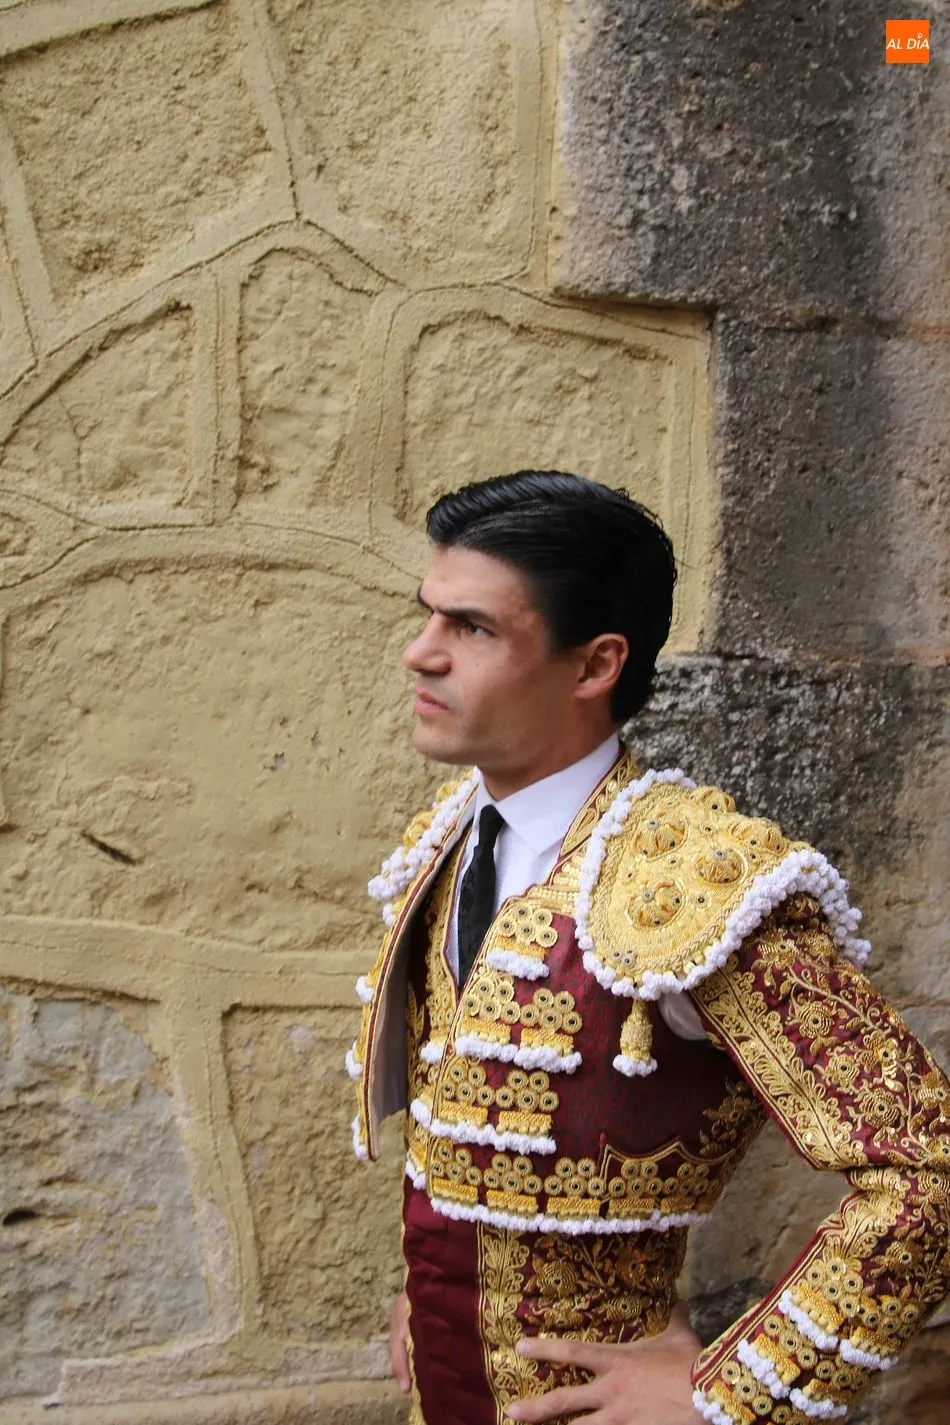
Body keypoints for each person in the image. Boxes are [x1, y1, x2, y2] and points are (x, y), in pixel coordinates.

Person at [348, 471, 950, 1425]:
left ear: (595, 666)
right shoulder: (454, 835)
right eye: (429, 615)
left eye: (472, 628)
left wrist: (732, 1392)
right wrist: (435, 1293)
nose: (420, 653)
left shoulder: (693, 883)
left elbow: (927, 1167)